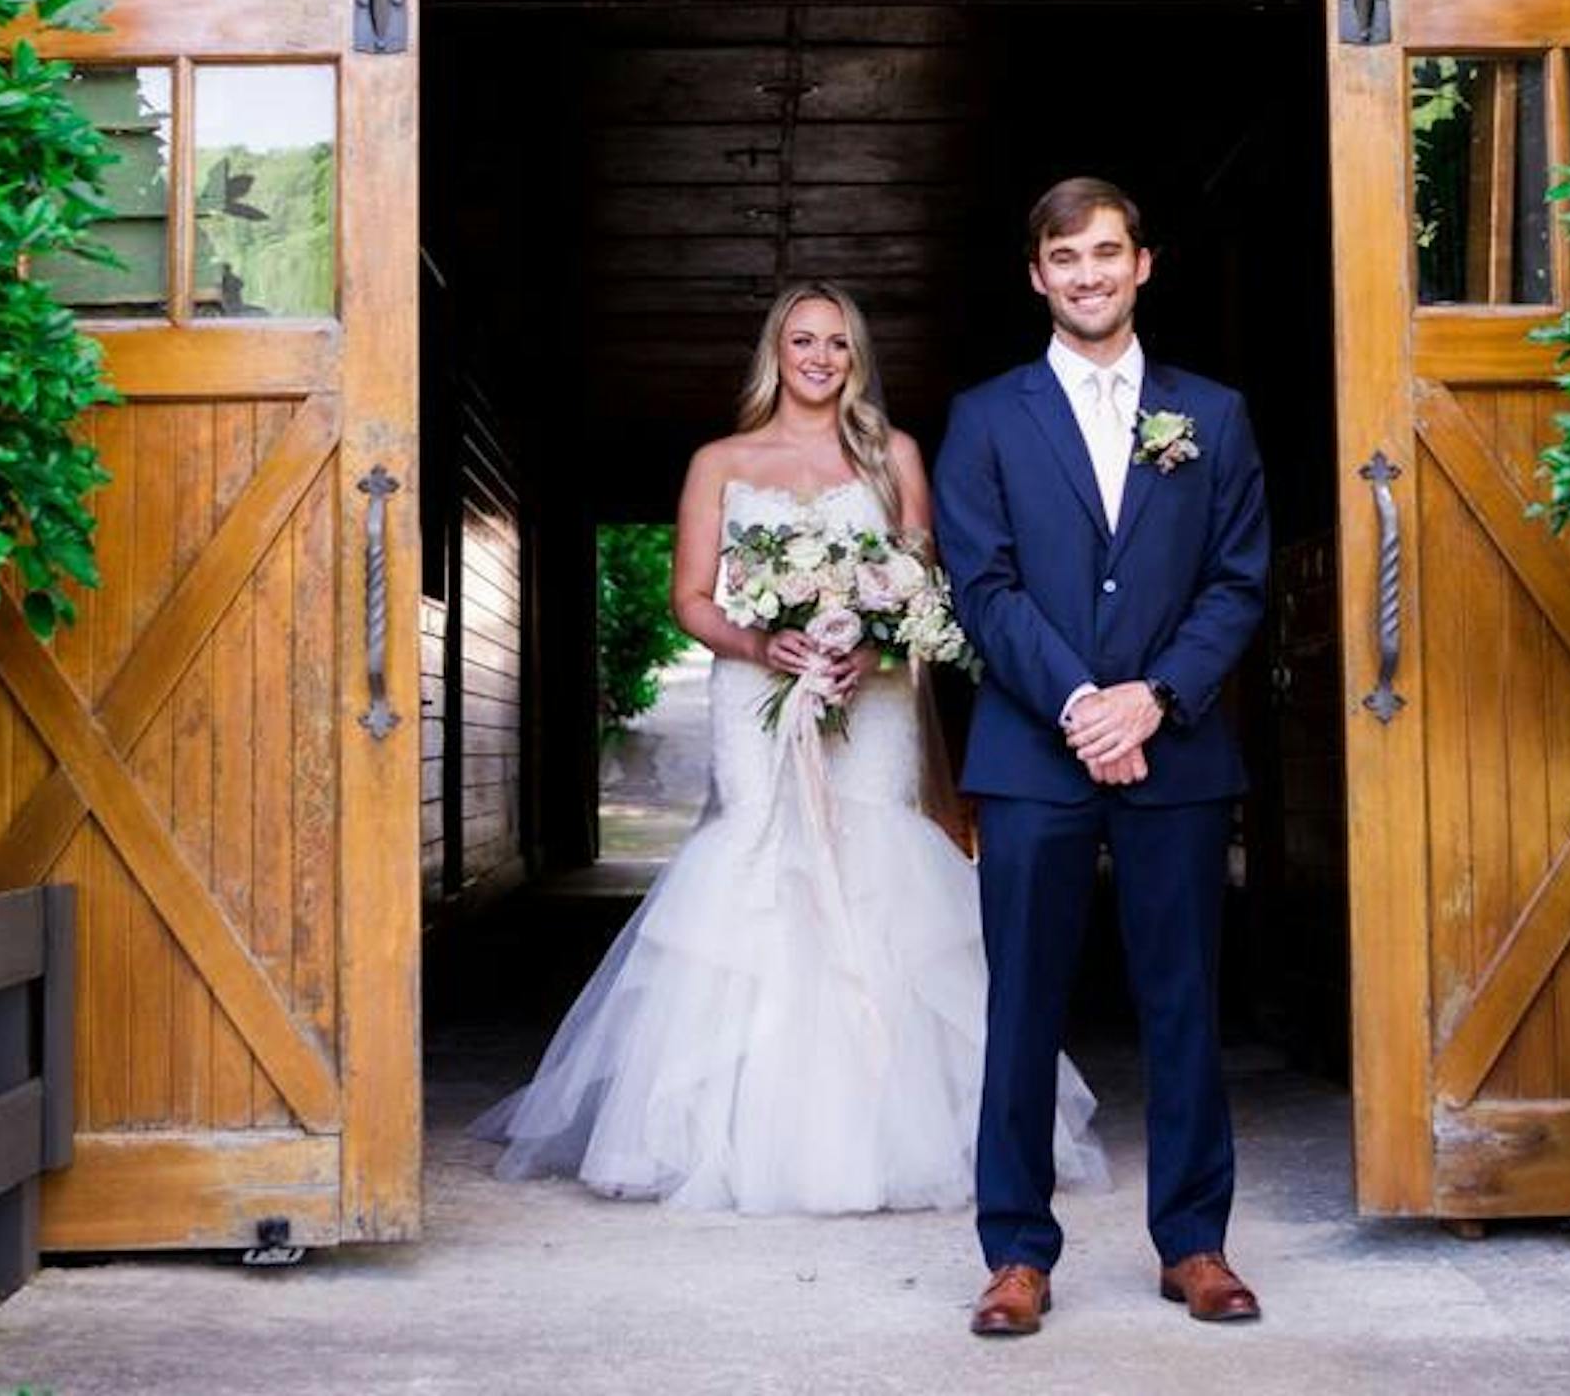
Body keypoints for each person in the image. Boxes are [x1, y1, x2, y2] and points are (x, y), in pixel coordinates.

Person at [472, 284, 1108, 1214]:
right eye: (803, 340)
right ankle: (730, 1131)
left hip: (869, 697)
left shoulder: (893, 457)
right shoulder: (720, 462)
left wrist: (871, 646)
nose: (820, 357)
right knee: (760, 857)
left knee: (876, 859)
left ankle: (912, 1129)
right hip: (757, 691)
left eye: (838, 344)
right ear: (775, 350)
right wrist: (764, 645)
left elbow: (924, 582)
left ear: (857, 358)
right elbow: (691, 598)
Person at [934, 177, 1270, 1336]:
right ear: (1037, 274)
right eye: (1065, 257)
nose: (1087, 273)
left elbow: (1237, 581)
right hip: (1033, 754)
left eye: (1106, 253)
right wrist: (1083, 702)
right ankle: (1016, 1251)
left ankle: (1195, 1242)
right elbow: (980, 585)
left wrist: (1154, 698)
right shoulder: (985, 415)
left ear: (1143, 265)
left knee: (1182, 1003)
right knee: (1023, 1006)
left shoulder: (1210, 415)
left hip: (1175, 757)